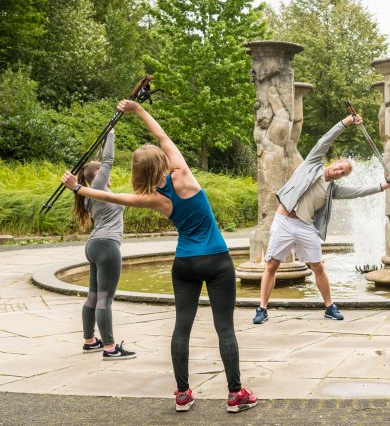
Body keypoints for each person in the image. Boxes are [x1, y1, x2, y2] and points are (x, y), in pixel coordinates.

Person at [61, 100, 257, 413]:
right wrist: (138, 110)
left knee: (181, 328)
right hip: (217, 261)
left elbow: (113, 196)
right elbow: (163, 136)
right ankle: (236, 395)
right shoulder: (183, 175)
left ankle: (182, 394)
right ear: (163, 160)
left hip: (184, 265)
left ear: (137, 171)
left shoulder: (150, 198)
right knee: (225, 328)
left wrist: (78, 189)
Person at [253, 114, 390, 325]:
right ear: (334, 162)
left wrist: (383, 186)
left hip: (305, 227)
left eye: (342, 173)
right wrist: (347, 121)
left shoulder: (332, 190)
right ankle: (262, 309)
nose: (338, 171)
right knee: (272, 265)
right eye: (339, 167)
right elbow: (325, 140)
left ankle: (329, 306)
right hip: (284, 221)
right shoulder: (312, 164)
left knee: (318, 266)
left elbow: (357, 191)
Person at [73, 129, 136, 361]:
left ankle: (90, 341)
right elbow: (107, 160)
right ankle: (110, 348)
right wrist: (110, 134)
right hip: (107, 246)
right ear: (98, 175)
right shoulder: (98, 189)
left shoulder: (91, 193)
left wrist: (103, 139)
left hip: (94, 246)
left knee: (93, 296)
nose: (108, 172)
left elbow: (101, 164)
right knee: (104, 299)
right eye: (103, 171)